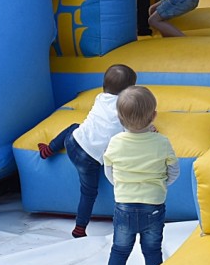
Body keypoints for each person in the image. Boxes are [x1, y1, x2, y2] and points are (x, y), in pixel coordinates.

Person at [37, 64, 137, 238]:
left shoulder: (100, 97)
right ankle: (80, 227)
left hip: (73, 142)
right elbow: (135, 125)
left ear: (104, 87)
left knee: (74, 126)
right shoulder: (126, 109)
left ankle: (49, 149)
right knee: (89, 193)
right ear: (129, 91)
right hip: (90, 159)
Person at [101, 86, 179, 265]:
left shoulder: (115, 142)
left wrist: (121, 186)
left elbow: (109, 171)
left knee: (120, 249)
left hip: (124, 205)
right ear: (154, 116)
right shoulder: (162, 142)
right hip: (153, 205)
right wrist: (161, 186)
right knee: (152, 249)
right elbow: (174, 171)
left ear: (119, 118)